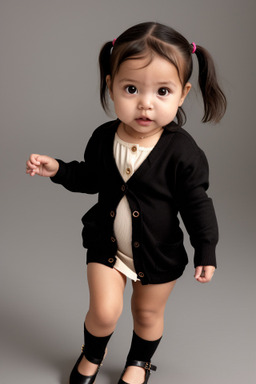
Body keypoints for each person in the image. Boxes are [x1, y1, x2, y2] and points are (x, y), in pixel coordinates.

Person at [26, 22, 226, 384]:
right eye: (131, 89)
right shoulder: (104, 138)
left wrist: (206, 249)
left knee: (147, 314)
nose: (145, 103)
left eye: (163, 91)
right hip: (106, 245)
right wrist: (57, 169)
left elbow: (197, 204)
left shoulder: (183, 152)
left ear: (182, 94)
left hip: (158, 252)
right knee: (104, 311)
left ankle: (139, 361)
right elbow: (90, 178)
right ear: (111, 86)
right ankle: (93, 352)